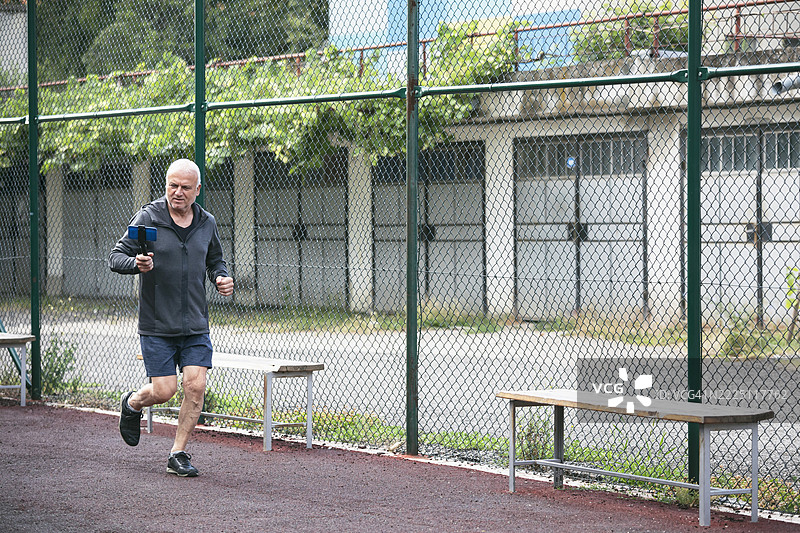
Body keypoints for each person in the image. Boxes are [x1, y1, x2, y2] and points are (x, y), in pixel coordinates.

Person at [109, 158, 234, 477]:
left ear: (198, 190)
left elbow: (216, 260)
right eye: (172, 186)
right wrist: (136, 264)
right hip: (156, 324)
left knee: (195, 386)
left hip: (195, 325)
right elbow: (115, 257)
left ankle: (177, 453)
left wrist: (221, 277)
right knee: (164, 390)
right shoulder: (149, 215)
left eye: (185, 188)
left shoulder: (207, 222)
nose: (177, 193)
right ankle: (133, 403)